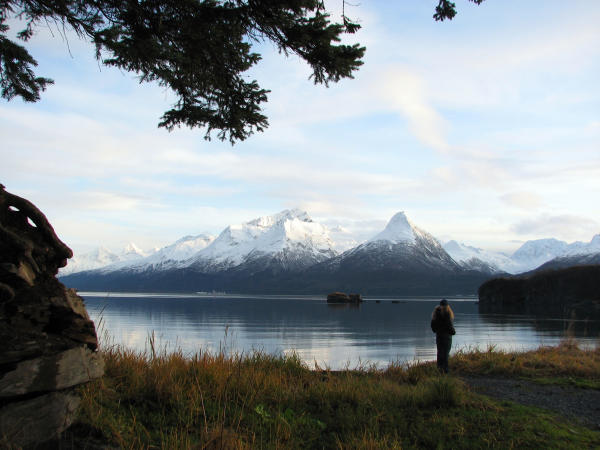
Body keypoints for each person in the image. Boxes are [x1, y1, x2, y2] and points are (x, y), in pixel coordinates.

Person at [431, 299, 456, 374]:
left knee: (439, 353)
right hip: (447, 337)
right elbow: (449, 326)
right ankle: (445, 370)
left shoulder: (435, 314)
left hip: (439, 336)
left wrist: (436, 331)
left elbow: (432, 326)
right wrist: (453, 332)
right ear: (447, 306)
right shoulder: (447, 314)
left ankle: (439, 369)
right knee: (445, 353)